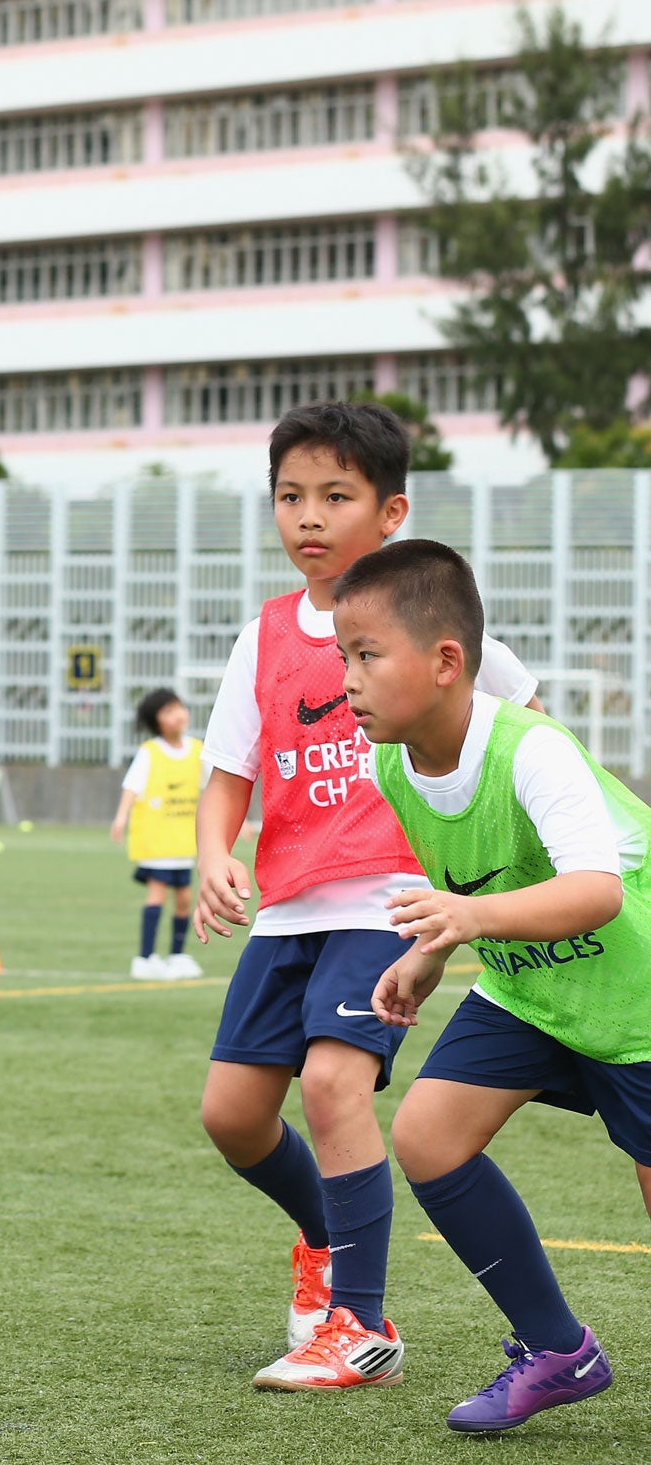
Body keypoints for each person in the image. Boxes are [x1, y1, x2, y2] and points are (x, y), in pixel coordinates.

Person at [190, 401, 540, 1391]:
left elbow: (524, 727)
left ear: (388, 513)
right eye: (289, 497)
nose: (307, 516)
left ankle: (358, 1323)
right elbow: (227, 774)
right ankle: (319, 1231)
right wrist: (215, 854)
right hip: (288, 909)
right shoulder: (260, 638)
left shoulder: (430, 623)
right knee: (230, 1116)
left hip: (386, 906)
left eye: (332, 496)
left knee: (336, 1084)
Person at [334, 539, 643, 1432]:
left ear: (445, 662)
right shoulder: (388, 762)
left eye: (367, 655)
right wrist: (432, 950)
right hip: (532, 989)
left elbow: (596, 892)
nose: (346, 680)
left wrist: (465, 925)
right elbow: (473, 887)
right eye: (342, 656)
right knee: (429, 1137)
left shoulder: (534, 751)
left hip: (637, 999)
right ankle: (559, 1350)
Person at [111, 687, 202, 982]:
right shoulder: (150, 752)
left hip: (183, 841)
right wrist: (121, 817)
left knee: (186, 898)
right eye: (168, 711)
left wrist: (238, 822)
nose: (177, 714)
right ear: (157, 721)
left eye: (179, 707)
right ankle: (146, 957)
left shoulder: (197, 750)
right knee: (157, 896)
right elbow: (131, 787)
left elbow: (215, 788)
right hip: (157, 840)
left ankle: (177, 955)